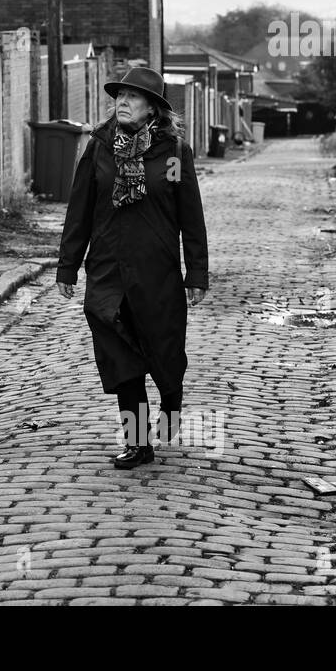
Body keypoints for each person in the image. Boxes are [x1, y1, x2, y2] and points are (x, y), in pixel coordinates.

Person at [55, 66, 209, 469]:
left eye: (132, 97)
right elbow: (80, 209)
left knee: (164, 354)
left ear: (153, 108)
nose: (122, 102)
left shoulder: (173, 154)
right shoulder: (99, 147)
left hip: (156, 273)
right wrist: (67, 267)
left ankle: (171, 399)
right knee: (121, 359)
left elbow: (189, 214)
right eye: (119, 96)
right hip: (108, 271)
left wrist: (196, 273)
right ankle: (138, 441)